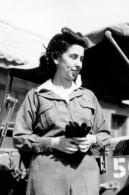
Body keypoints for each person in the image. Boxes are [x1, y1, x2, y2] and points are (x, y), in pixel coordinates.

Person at [13, 27, 110, 195]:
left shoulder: (89, 96)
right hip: (48, 174)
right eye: (73, 57)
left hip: (85, 174)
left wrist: (92, 139)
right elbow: (20, 137)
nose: (79, 64)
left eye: (81, 58)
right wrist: (54, 143)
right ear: (57, 58)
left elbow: (105, 134)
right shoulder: (36, 96)